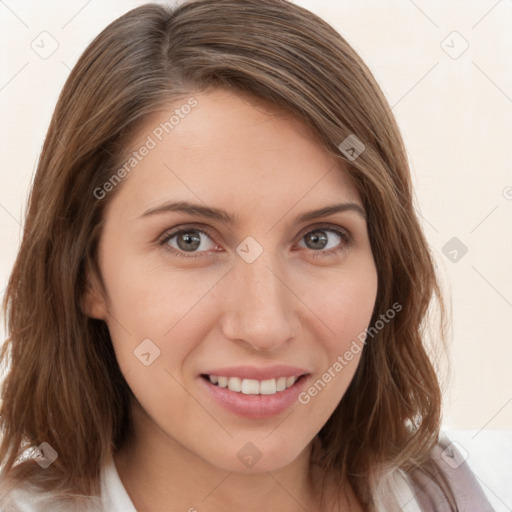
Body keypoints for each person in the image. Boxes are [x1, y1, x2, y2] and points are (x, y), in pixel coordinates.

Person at [0, 1, 496, 510]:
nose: (264, 326)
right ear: (86, 274)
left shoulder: (465, 487)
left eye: (320, 238)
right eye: (188, 239)